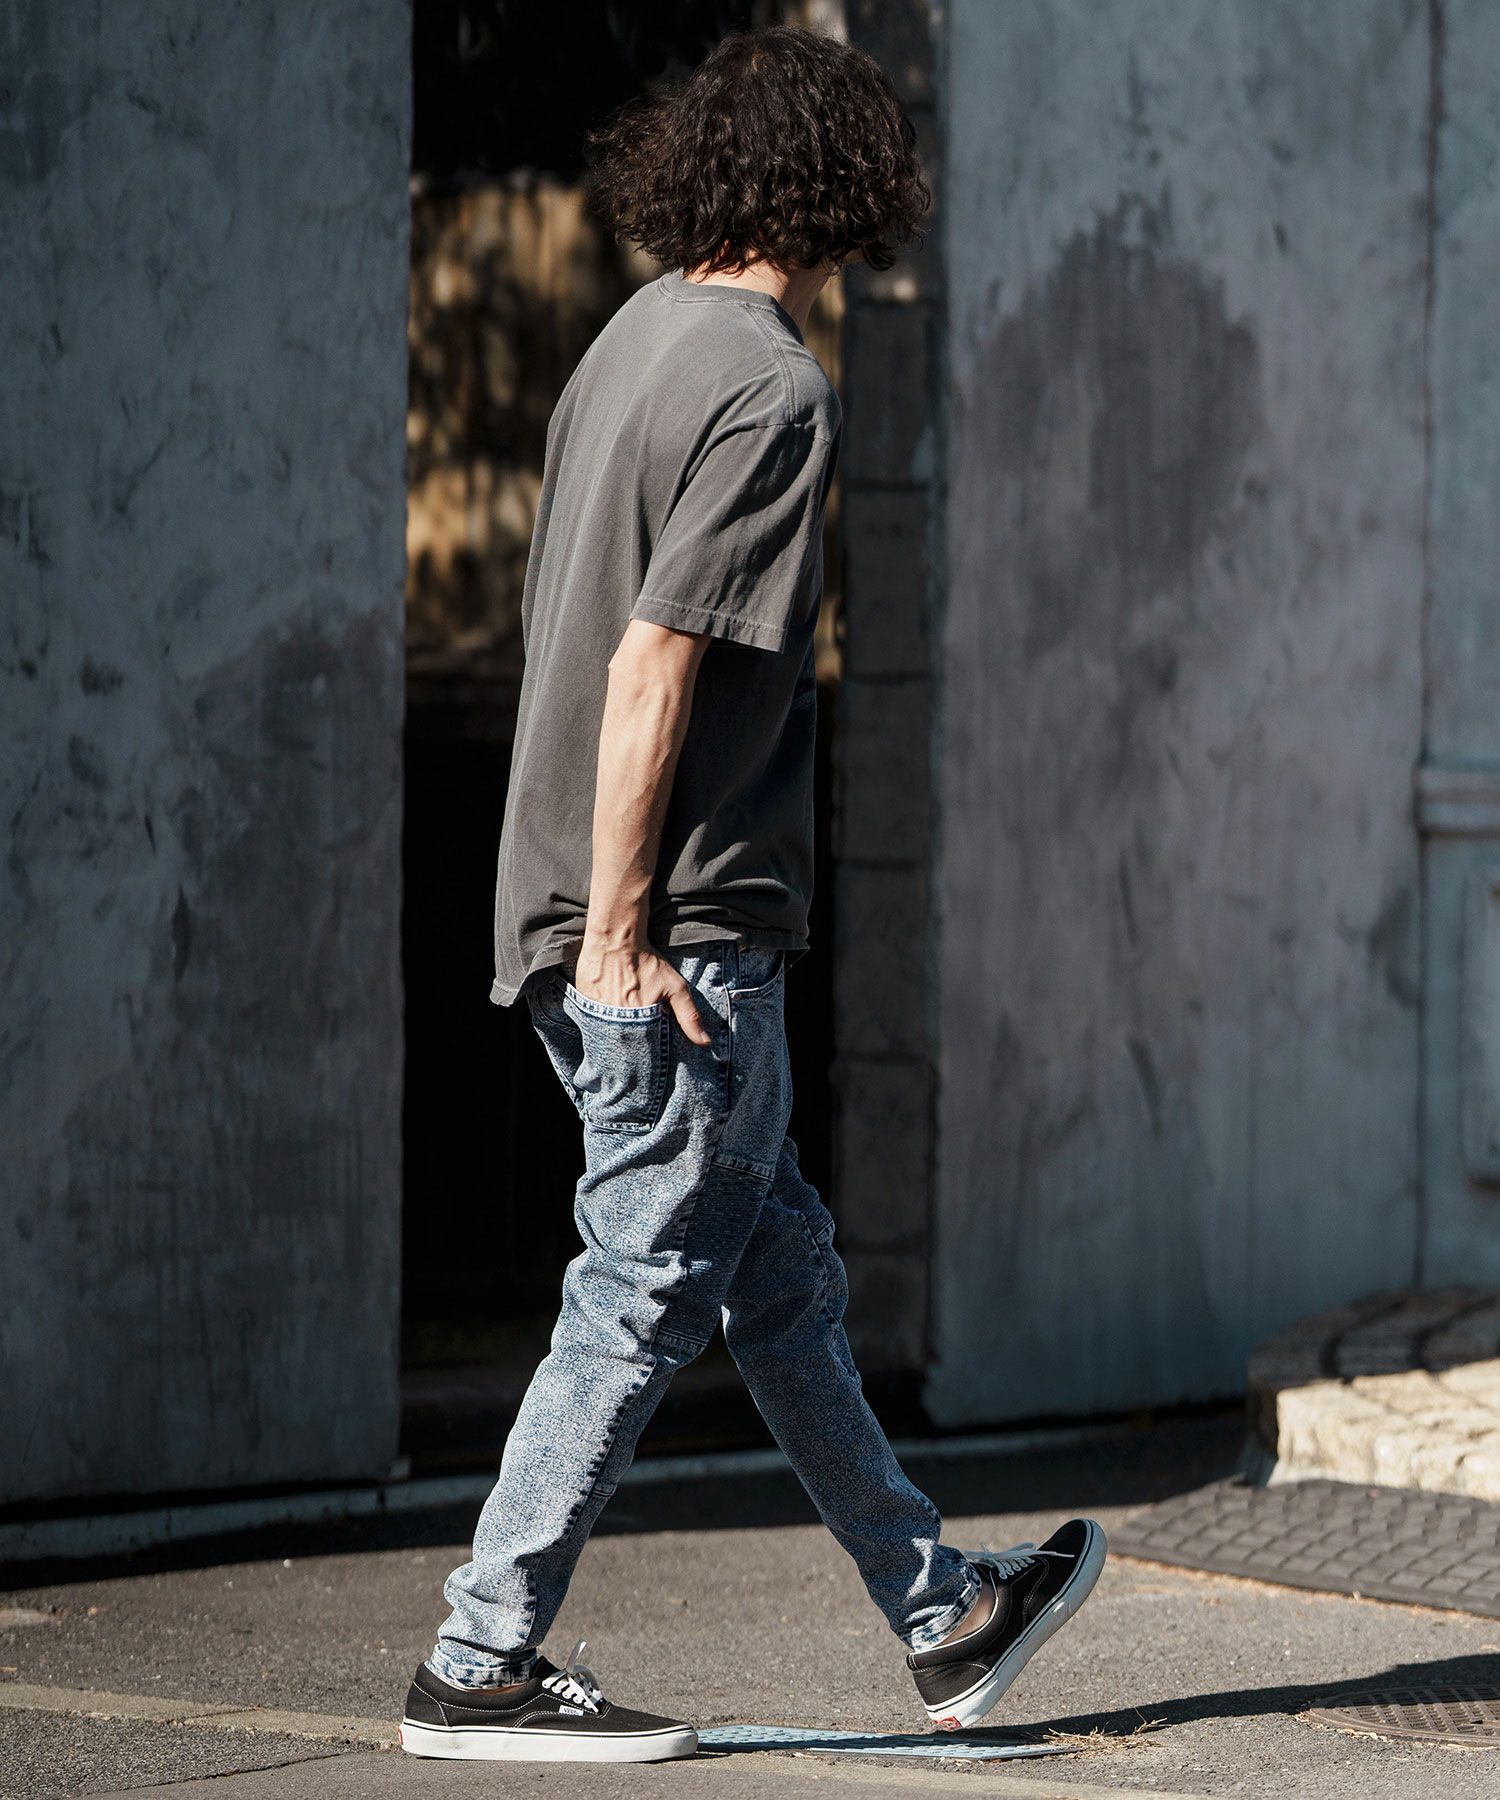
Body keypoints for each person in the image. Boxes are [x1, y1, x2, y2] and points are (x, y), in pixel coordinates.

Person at [401, 23, 1104, 1765]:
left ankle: (944, 1618)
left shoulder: (630, 343)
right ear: (848, 184)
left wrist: (589, 925)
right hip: (675, 931)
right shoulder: (772, 393)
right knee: (643, 1283)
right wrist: (628, 932)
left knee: (776, 1280)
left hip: (584, 909)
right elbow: (651, 666)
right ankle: (479, 1660)